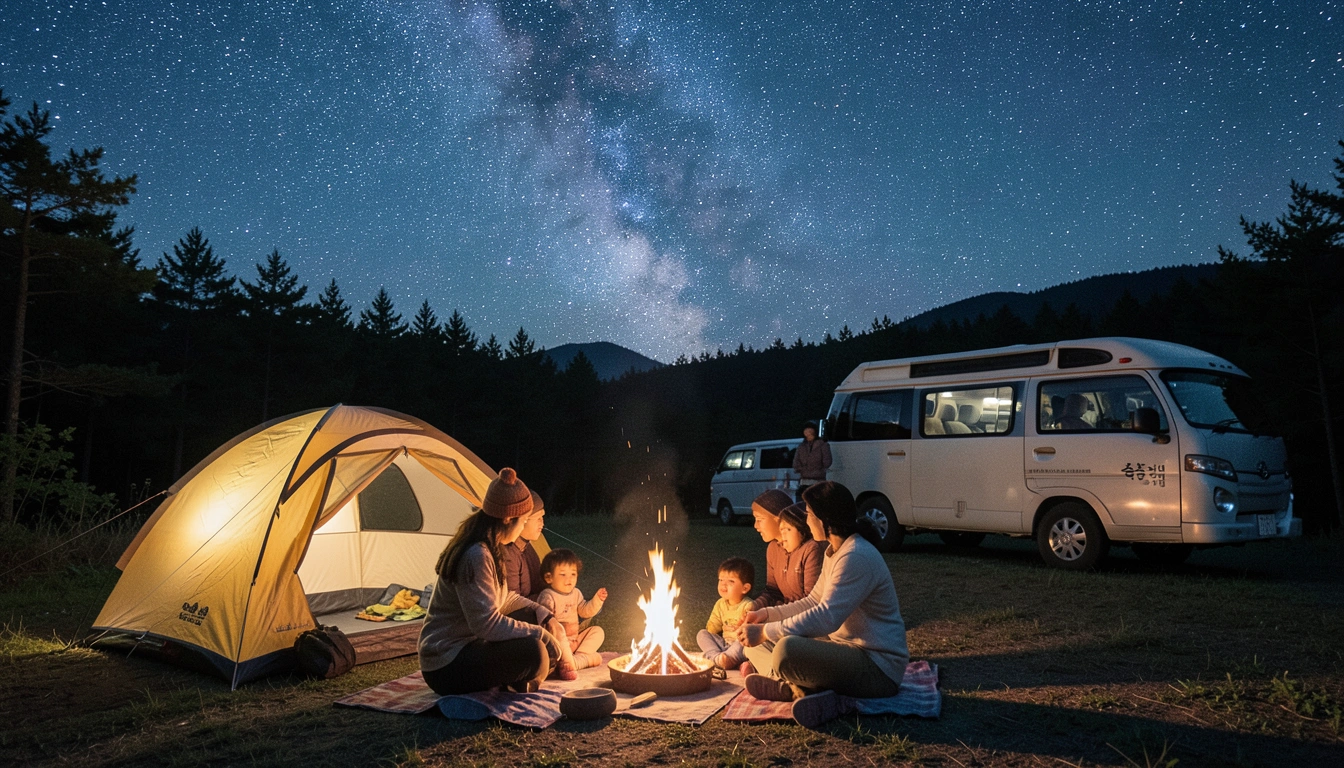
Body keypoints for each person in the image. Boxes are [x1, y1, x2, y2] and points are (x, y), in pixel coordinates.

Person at [737, 481, 909, 728]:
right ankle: (798, 689)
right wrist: (766, 615)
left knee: (786, 651)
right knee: (751, 646)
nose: (806, 521)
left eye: (808, 514)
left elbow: (826, 616)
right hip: (842, 650)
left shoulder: (856, 556)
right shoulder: (834, 551)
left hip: (877, 667)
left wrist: (765, 631)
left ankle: (795, 688)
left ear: (824, 518)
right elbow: (812, 601)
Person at [418, 468, 566, 696]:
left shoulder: (490, 545)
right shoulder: (476, 555)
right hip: (446, 664)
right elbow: (486, 624)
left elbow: (503, 598)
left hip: (470, 646)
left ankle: (524, 679)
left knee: (532, 619)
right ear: (508, 518)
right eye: (524, 520)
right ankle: (527, 679)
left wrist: (544, 615)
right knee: (534, 651)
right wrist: (540, 634)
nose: (523, 527)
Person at [536, 548, 608, 680]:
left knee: (597, 631)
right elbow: (546, 625)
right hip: (558, 644)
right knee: (560, 634)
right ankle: (570, 662)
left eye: (573, 574)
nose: (569, 579)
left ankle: (578, 659)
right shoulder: (548, 596)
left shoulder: (576, 593)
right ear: (549, 577)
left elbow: (585, 611)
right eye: (563, 574)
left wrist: (597, 600)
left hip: (575, 641)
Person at [696, 557, 755, 672]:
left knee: (745, 645)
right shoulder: (720, 604)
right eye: (721, 580)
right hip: (724, 645)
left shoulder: (748, 606)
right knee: (702, 634)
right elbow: (712, 628)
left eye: (731, 582)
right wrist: (711, 630)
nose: (723, 585)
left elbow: (749, 633)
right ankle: (719, 658)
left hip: (739, 646)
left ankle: (717, 659)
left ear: (745, 588)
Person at [501, 490, 545, 601]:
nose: (542, 523)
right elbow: (513, 602)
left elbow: (539, 585)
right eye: (538, 518)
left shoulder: (527, 548)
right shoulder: (508, 555)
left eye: (542, 517)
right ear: (522, 520)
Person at [791, 421, 832, 501]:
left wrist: (815, 470)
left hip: (818, 482)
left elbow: (827, 462)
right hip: (804, 482)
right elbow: (795, 464)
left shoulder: (823, 445)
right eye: (806, 431)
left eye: (810, 431)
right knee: (802, 504)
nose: (808, 433)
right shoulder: (801, 447)